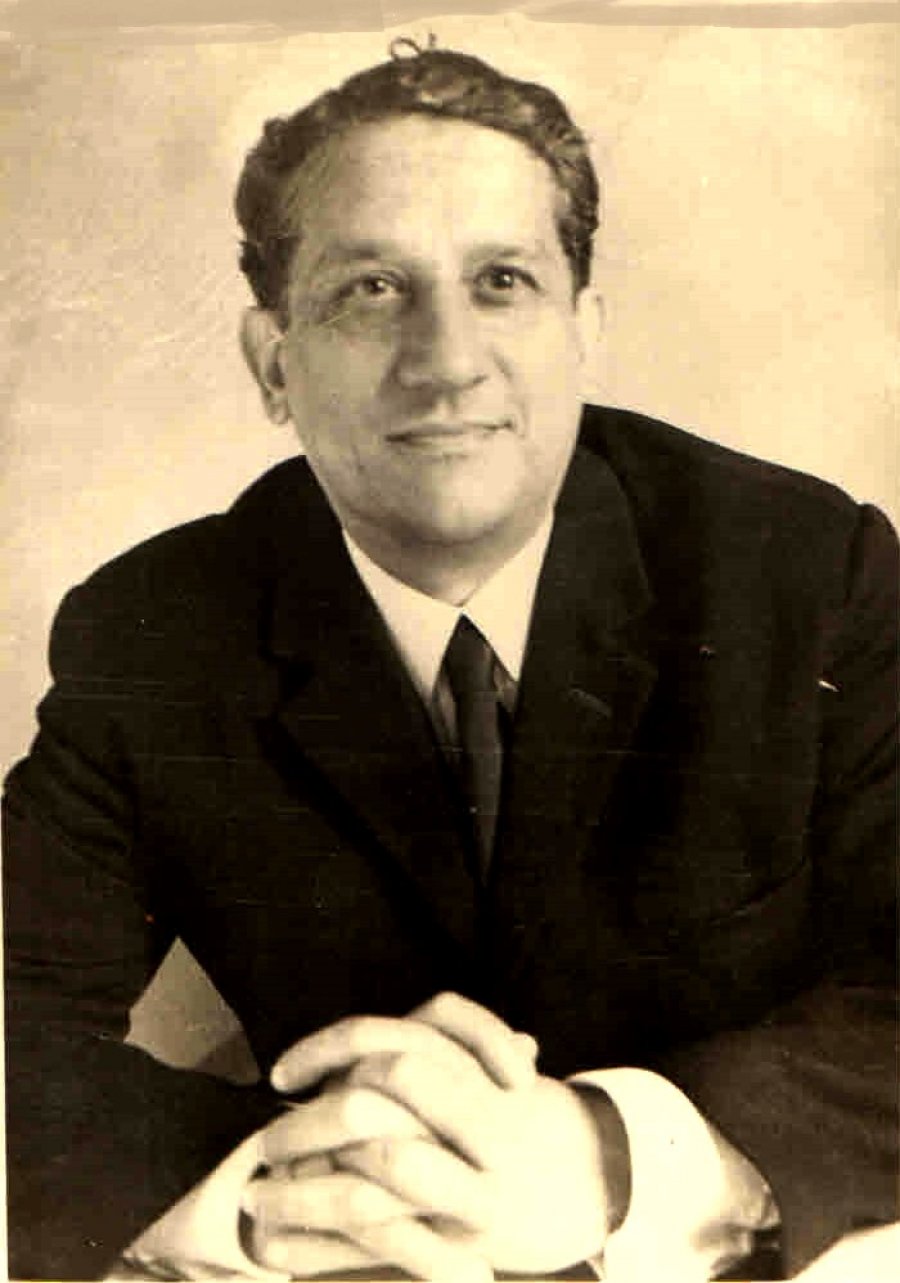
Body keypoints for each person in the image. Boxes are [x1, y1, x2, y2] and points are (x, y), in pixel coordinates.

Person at [3, 41, 897, 1283]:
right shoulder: (156, 628)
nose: (446, 359)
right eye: (372, 288)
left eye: (503, 282)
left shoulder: (807, 573)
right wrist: (279, 1186)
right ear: (274, 362)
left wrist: (614, 1155)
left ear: (583, 333)